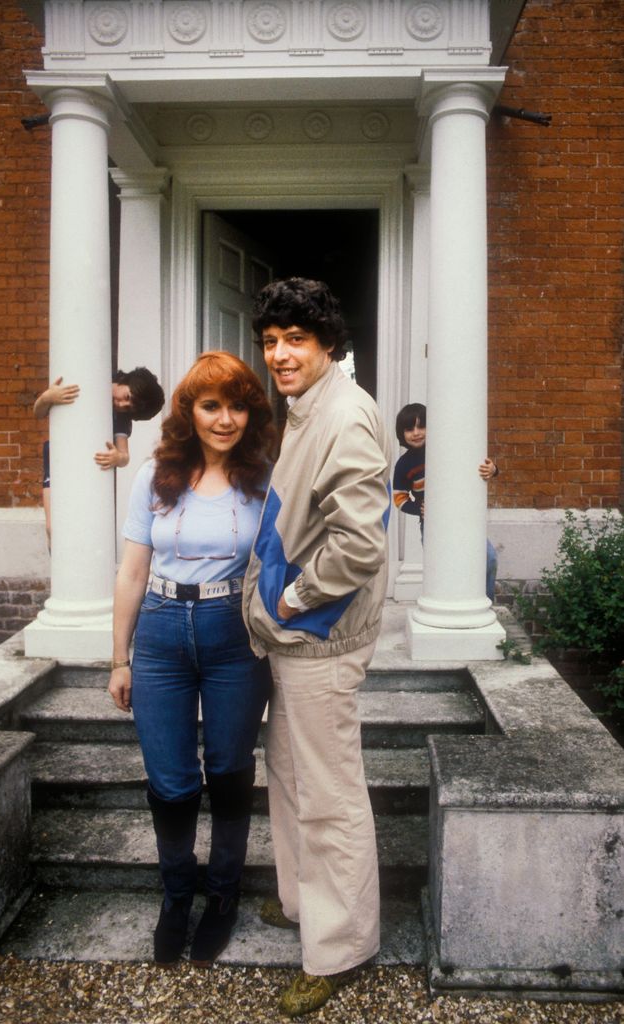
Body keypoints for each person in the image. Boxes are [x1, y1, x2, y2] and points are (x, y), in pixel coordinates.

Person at [242, 278, 392, 1018]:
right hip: (295, 640)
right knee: (291, 774)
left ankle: (339, 946)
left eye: (295, 339)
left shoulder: (345, 415)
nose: (279, 354)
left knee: (327, 792)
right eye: (270, 341)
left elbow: (359, 544)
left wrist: (292, 598)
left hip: (320, 636)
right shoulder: (309, 407)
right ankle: (304, 902)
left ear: (327, 342)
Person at [107, 352, 276, 968]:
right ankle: (177, 897)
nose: (225, 419)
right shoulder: (155, 473)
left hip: (233, 631)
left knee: (230, 769)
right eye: (211, 406)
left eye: (236, 406)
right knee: (171, 778)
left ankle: (223, 896)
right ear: (189, 411)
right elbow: (131, 568)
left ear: (250, 414)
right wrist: (119, 658)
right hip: (159, 632)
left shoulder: (266, 476)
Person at [34, 367, 165, 546]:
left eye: (129, 408)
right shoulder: (92, 377)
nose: (121, 405)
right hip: (56, 459)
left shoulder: (120, 416)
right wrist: (47, 397)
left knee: (79, 524)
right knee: (52, 527)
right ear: (125, 381)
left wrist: (117, 458)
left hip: (86, 466)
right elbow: (38, 412)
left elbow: (124, 455)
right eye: (126, 397)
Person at [393, 402, 498, 602]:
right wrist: (419, 508)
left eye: (422, 426)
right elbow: (399, 497)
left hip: (463, 519)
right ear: (402, 433)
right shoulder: (404, 465)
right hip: (433, 527)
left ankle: (487, 605)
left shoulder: (450, 448)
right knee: (443, 570)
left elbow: (478, 465)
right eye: (409, 429)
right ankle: (449, 609)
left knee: (489, 558)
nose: (416, 433)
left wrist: (493, 469)